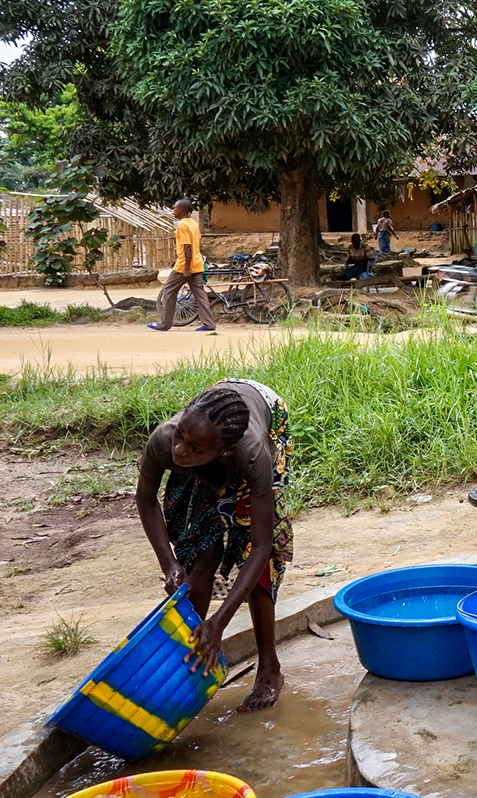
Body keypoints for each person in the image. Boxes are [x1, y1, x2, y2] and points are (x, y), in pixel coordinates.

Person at [135, 379, 293, 711]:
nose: (181, 449)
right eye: (181, 436)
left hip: (264, 412)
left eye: (193, 448)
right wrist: (169, 564)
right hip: (211, 436)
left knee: (253, 558)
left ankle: (269, 670)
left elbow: (261, 546)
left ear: (224, 452)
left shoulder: (252, 454)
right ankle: (187, 662)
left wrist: (221, 621)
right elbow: (146, 500)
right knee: (199, 549)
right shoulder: (168, 441)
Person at [149, 199, 218, 332]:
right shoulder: (193, 223)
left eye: (175, 208)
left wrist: (186, 269)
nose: (173, 211)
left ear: (181, 210)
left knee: (169, 291)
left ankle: (165, 324)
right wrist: (179, 259)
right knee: (200, 294)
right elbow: (194, 245)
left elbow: (187, 247)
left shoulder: (182, 225)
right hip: (197, 263)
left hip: (184, 267)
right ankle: (209, 324)